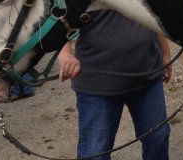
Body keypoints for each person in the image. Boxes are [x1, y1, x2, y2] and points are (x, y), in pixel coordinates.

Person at [57, 10, 172, 159]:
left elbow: (151, 11)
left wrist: (165, 52)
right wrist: (64, 53)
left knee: (157, 139)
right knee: (95, 153)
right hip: (97, 83)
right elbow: (55, 16)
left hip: (147, 73)